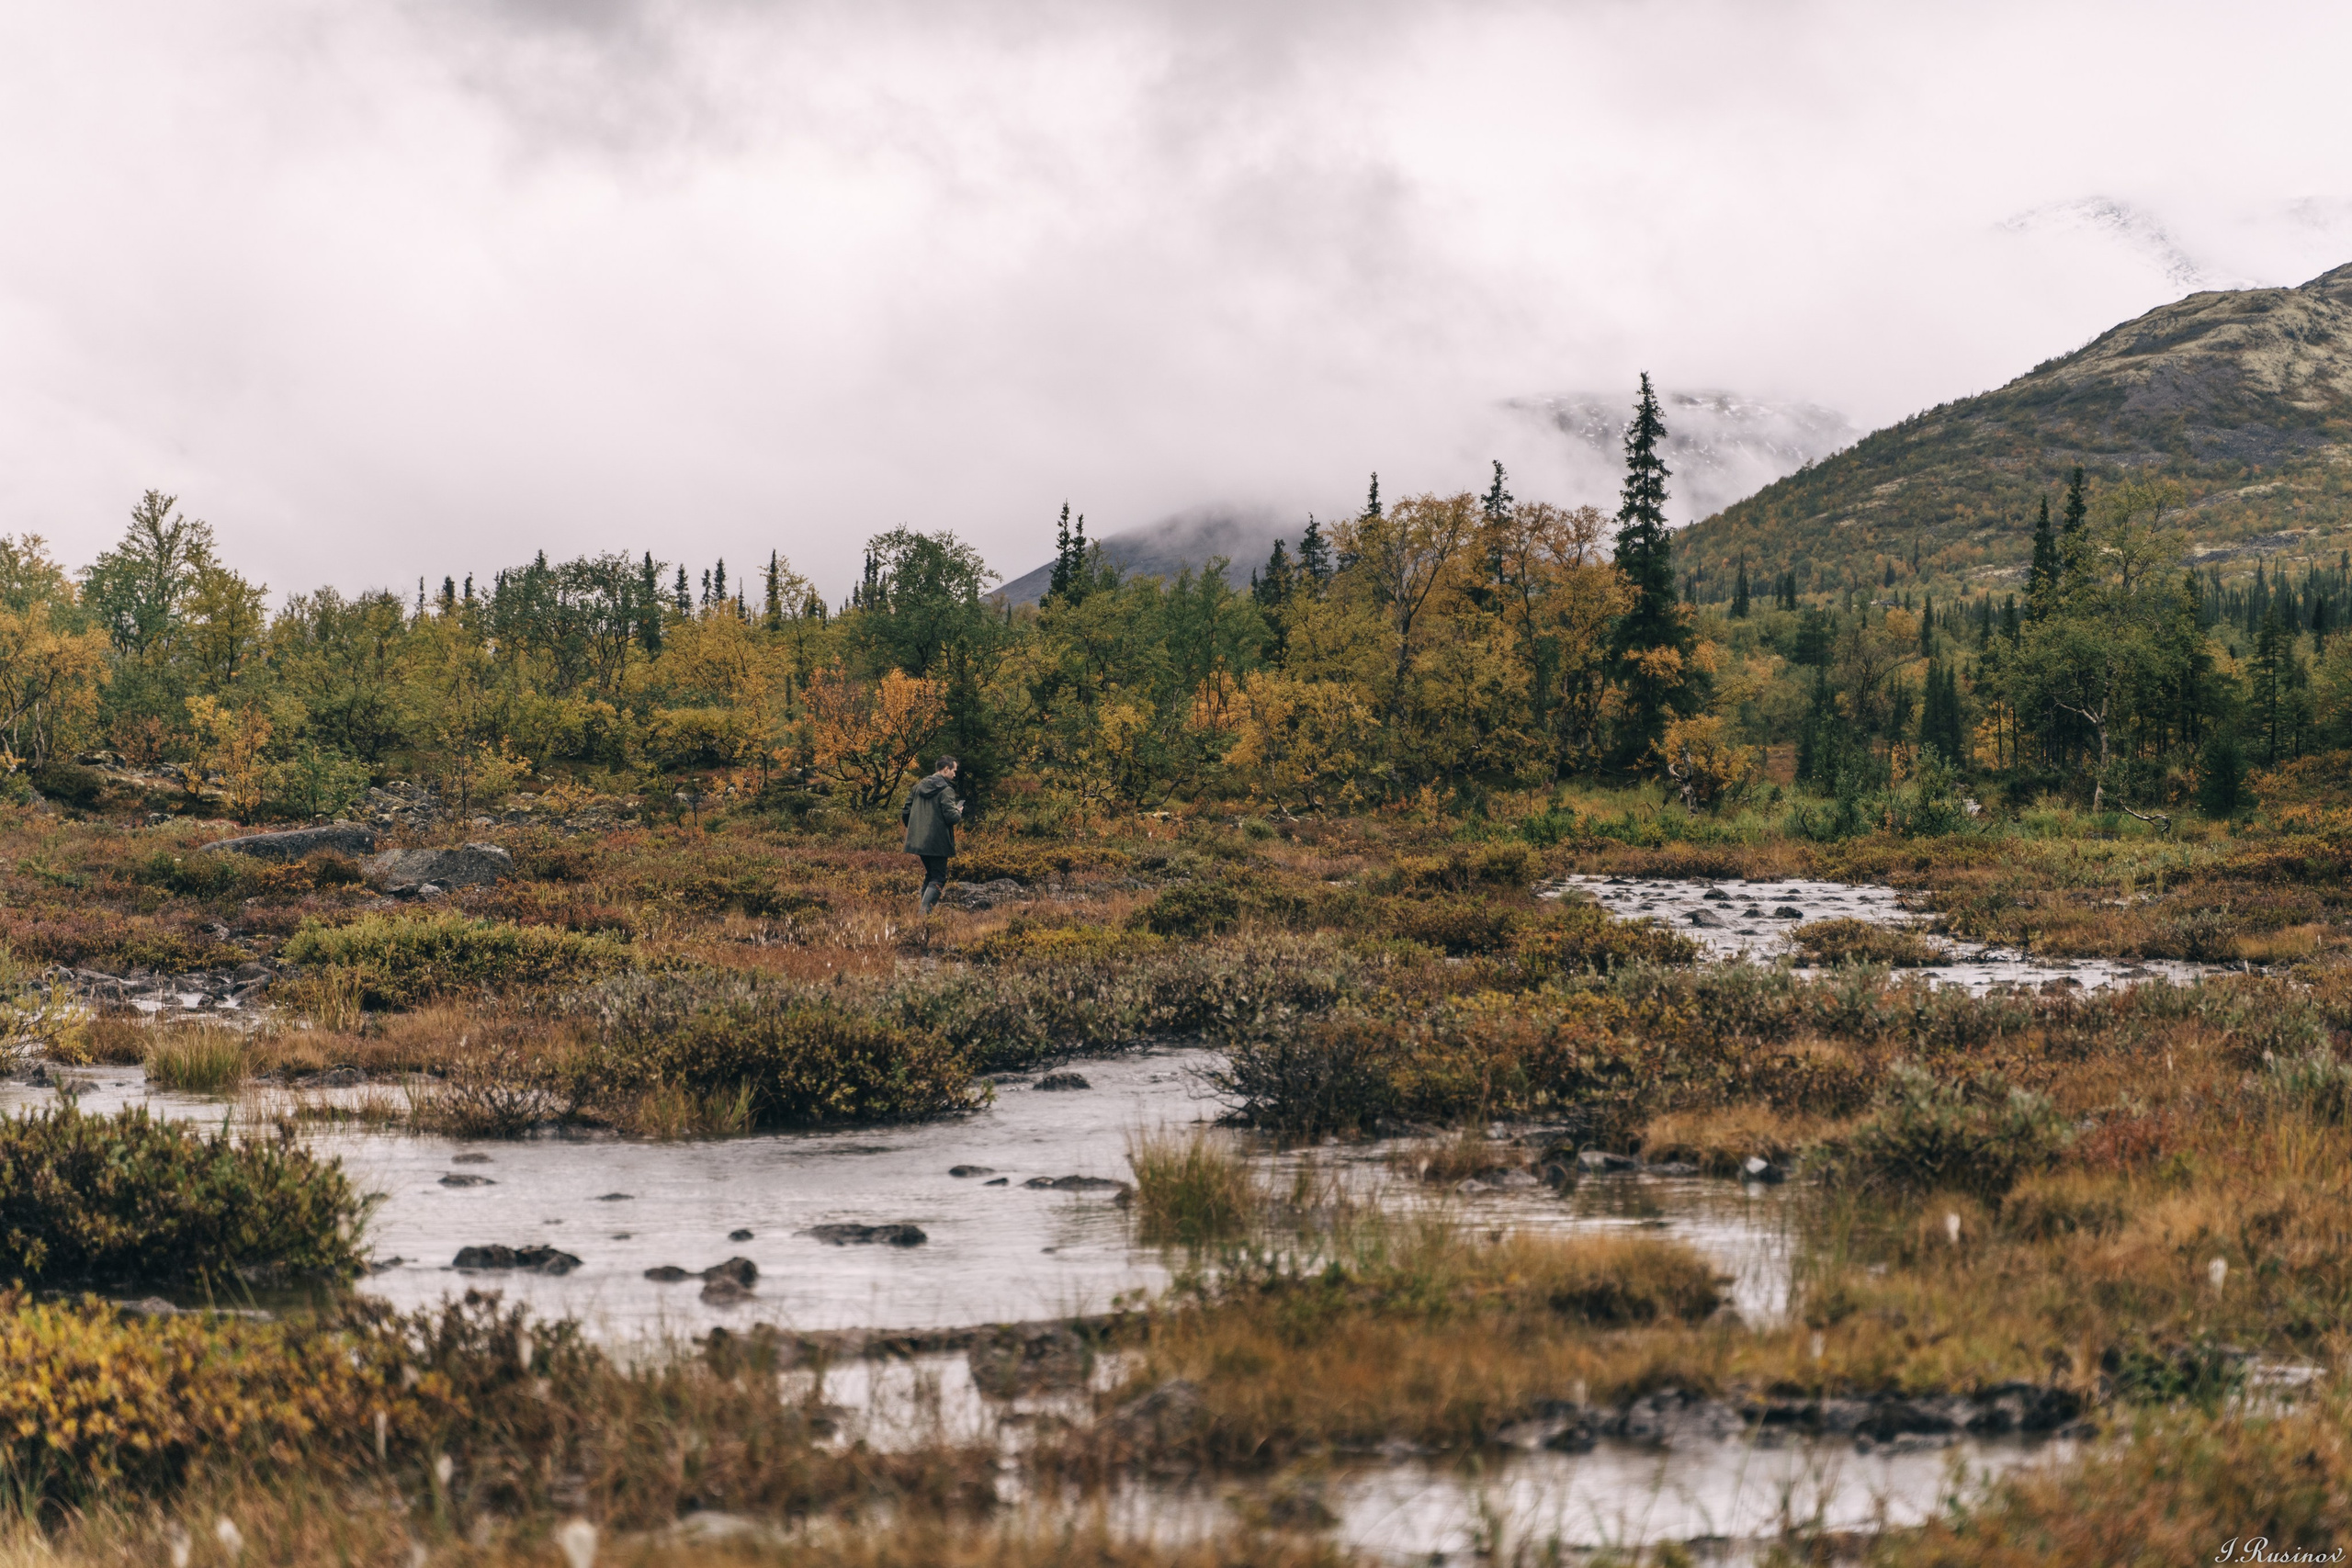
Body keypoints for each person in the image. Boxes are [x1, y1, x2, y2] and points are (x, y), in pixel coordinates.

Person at [901, 755, 966, 915]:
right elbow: (951, 817)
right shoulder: (946, 790)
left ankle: (923, 913)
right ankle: (924, 914)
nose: (955, 775)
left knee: (931, 874)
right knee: (938, 877)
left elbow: (906, 811)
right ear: (946, 769)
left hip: (918, 841)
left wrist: (917, 830)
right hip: (937, 842)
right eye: (954, 771)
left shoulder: (917, 787)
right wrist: (958, 812)